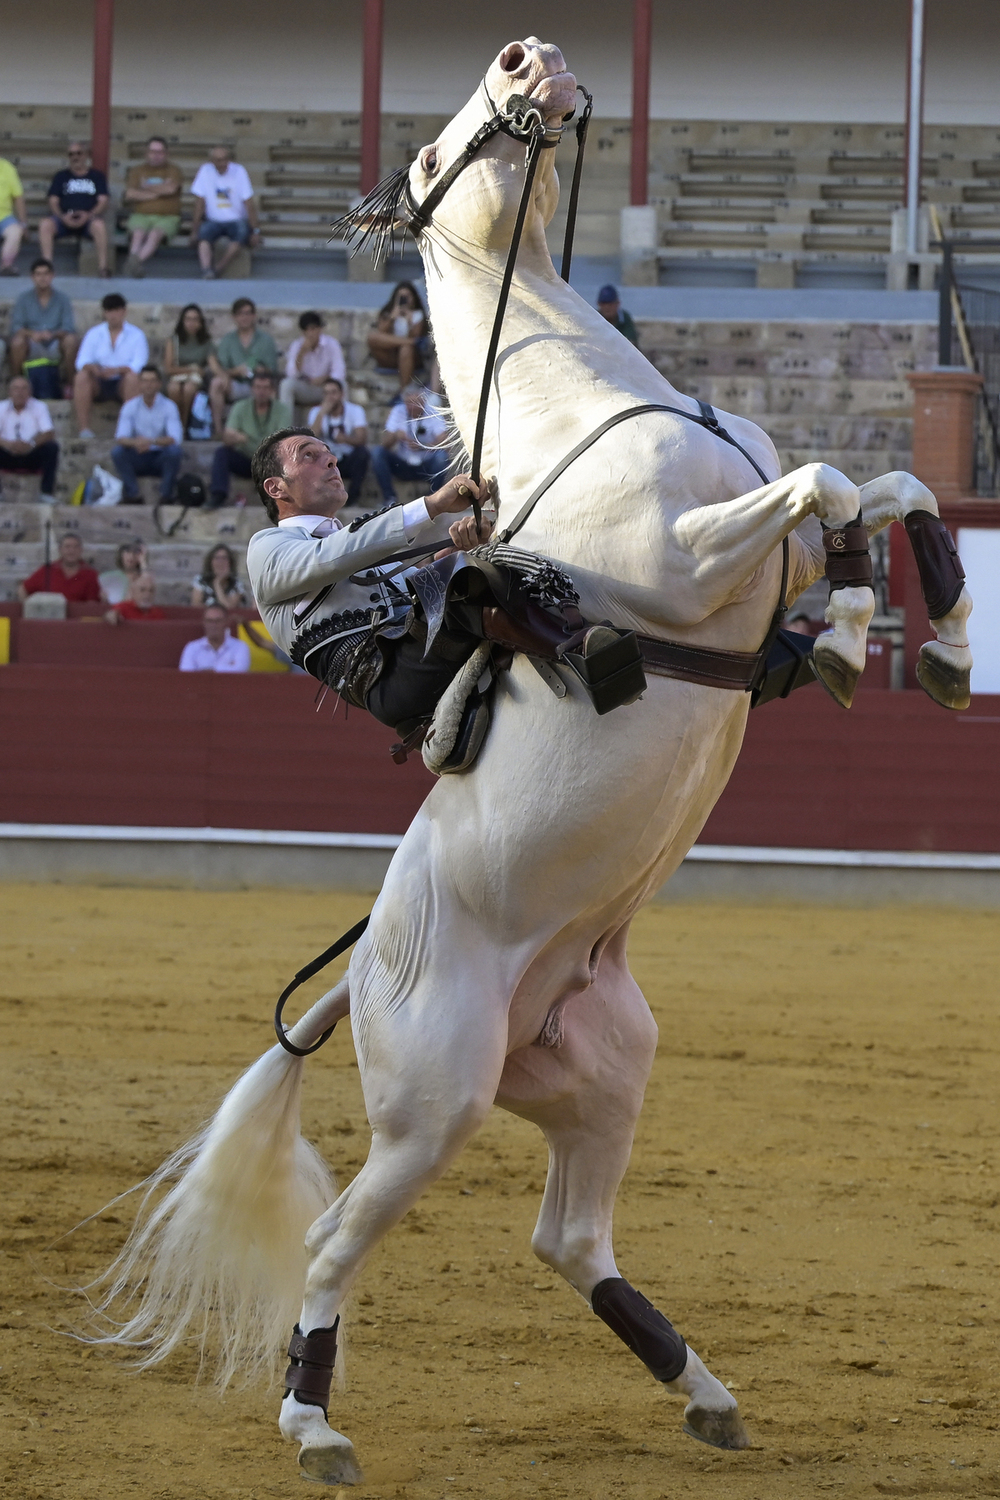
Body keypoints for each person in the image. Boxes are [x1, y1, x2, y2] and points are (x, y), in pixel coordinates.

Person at [246, 429, 488, 748]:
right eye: (309, 455)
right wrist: (431, 506)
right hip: (388, 679)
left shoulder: (359, 543)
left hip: (419, 652)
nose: (332, 460)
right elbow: (327, 558)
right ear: (276, 487)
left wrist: (460, 551)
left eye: (329, 453)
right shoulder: (267, 546)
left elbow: (421, 588)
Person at [209, 369, 291, 510]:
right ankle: (218, 494)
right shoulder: (240, 407)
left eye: (265, 388)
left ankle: (281, 502)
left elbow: (281, 442)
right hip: (245, 458)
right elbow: (227, 437)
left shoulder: (282, 410)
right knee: (221, 453)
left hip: (268, 462)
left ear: (272, 390)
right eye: (258, 387)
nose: (261, 392)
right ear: (252, 389)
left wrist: (244, 438)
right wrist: (234, 437)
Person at [74, 293, 149, 438]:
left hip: (123, 381)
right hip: (98, 381)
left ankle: (129, 430)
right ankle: (84, 429)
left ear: (124, 311)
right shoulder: (94, 333)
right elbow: (81, 361)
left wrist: (117, 370)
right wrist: (94, 368)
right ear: (104, 313)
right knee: (81, 377)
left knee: (133, 378)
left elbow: (139, 364)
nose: (112, 315)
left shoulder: (137, 335)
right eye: (109, 311)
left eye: (116, 310)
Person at [111, 366, 184, 504]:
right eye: (144, 381)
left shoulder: (169, 406)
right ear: (139, 383)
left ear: (159, 384)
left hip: (160, 457)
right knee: (118, 453)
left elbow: (175, 438)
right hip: (139, 456)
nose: (148, 384)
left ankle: (166, 495)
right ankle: (133, 494)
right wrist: (137, 443)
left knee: (175, 452)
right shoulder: (130, 406)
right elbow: (120, 437)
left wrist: (151, 442)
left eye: (152, 381)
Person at [38, 143, 110, 277]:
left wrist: (89, 215)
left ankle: (103, 268)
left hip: (88, 219)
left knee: (99, 225)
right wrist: (61, 216)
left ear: (86, 155)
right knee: (45, 224)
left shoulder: (97, 176)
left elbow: (103, 201)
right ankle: (46, 268)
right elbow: (53, 200)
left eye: (78, 153)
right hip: (64, 218)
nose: (75, 157)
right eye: (71, 154)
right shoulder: (61, 176)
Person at [209, 297, 279, 436]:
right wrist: (236, 371)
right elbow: (222, 370)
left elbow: (273, 370)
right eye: (241, 314)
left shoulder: (266, 340)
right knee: (216, 383)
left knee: (271, 387)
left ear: (254, 316)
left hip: (259, 384)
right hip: (236, 384)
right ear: (234, 317)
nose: (244, 317)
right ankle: (218, 431)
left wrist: (261, 371)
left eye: (248, 313)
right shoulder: (228, 340)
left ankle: (271, 434)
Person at [190, 145, 259, 280]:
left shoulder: (239, 171)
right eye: (218, 160)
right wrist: (194, 230)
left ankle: (218, 268)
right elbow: (199, 203)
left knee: (239, 237)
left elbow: (249, 203)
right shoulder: (205, 171)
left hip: (236, 219)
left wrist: (255, 231)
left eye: (224, 160)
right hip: (213, 220)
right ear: (211, 161)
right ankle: (206, 270)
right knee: (203, 237)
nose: (222, 163)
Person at [370, 385, 450, 501]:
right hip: (402, 463)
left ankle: (434, 498)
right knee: (377, 453)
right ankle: (389, 497)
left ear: (423, 402)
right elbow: (385, 444)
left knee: (441, 457)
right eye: (409, 403)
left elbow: (445, 443)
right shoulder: (399, 411)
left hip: (426, 464)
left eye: (416, 403)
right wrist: (395, 436)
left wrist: (424, 446)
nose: (412, 407)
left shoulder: (433, 412)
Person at [8, 259, 78, 391]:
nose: (42, 278)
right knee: (17, 342)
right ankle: (16, 385)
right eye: (38, 274)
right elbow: (16, 327)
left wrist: (52, 334)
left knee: (71, 340)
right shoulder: (23, 298)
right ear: (32, 277)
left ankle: (71, 385)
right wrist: (32, 334)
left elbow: (68, 327)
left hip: (55, 342)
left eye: (46, 274)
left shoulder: (63, 299)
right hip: (31, 341)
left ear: (52, 276)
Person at [123, 136, 184, 277]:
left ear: (166, 154)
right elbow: (130, 194)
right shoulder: (137, 171)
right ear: (146, 153)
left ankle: (132, 263)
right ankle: (134, 265)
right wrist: (159, 190)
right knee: (138, 233)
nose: (156, 155)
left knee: (154, 234)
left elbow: (171, 189)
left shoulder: (174, 170)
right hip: (141, 215)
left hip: (168, 217)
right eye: (152, 151)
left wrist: (145, 188)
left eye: (160, 152)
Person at [308, 377, 369, 503]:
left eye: (333, 392)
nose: (330, 397)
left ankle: (352, 498)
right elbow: (310, 438)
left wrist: (345, 439)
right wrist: (322, 413)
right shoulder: (316, 412)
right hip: (326, 460)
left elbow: (362, 439)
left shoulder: (355, 410)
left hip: (347, 458)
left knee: (363, 453)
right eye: (326, 393)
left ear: (341, 394)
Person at [0, 376, 59, 502]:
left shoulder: (39, 406)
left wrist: (31, 445)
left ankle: (46, 493)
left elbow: (48, 432)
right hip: (7, 453)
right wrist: (8, 444)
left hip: (31, 453)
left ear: (30, 392)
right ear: (9, 392)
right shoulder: (1, 407)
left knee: (51, 447)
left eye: (24, 388)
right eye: (16, 388)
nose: (20, 392)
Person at [278, 313, 346, 414]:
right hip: (306, 387)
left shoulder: (332, 344)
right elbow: (291, 374)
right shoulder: (297, 346)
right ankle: (286, 427)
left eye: (313, 329)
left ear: (320, 329)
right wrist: (301, 353)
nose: (310, 334)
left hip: (326, 388)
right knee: (286, 385)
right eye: (307, 330)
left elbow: (339, 372)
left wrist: (325, 379)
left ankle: (342, 423)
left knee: (343, 386)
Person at [164, 303, 217, 433]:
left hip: (196, 380)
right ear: (182, 321)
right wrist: (191, 369)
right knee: (174, 389)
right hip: (177, 377)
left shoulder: (206, 342)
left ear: (200, 322)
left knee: (189, 389)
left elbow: (212, 365)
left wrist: (223, 374)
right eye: (188, 319)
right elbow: (168, 368)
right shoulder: (173, 341)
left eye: (195, 319)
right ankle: (174, 424)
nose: (191, 323)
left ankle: (184, 423)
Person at [367, 282, 428, 390]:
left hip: (410, 356)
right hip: (390, 354)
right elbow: (380, 334)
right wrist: (392, 317)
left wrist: (410, 321)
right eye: (401, 296)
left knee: (406, 349)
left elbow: (417, 336)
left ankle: (404, 390)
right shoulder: (389, 313)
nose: (405, 299)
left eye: (408, 296)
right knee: (372, 337)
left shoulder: (418, 315)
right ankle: (408, 342)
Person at [18, 531, 101, 603]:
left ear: (81, 550)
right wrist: (31, 610)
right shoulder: (47, 570)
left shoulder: (91, 574)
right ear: (60, 549)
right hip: (51, 619)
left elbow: (93, 604)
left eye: (76, 547)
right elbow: (23, 589)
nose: (71, 551)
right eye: (67, 547)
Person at [179, 604, 252, 672]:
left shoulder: (240, 647)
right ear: (204, 623)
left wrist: (207, 671)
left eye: (218, 621)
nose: (213, 625)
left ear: (226, 622)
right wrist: (227, 667)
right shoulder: (192, 648)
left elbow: (240, 671)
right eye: (209, 621)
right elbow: (186, 674)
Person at [190, 543, 248, 610]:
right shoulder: (200, 581)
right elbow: (196, 606)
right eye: (217, 558)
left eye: (224, 558)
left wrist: (218, 584)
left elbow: (229, 608)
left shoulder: (237, 584)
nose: (220, 562)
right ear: (210, 562)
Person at [0, 155, 27, 276]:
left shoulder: (7, 168)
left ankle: (6, 266)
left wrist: (23, 224)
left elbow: (18, 197)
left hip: (4, 217)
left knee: (16, 231)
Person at [99, 539, 146, 605]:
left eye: (136, 552)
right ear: (121, 554)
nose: (131, 556)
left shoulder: (144, 577)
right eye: (127, 552)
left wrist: (143, 564)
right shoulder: (108, 577)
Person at [596, 284, 640, 348]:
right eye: (603, 304)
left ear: (617, 303)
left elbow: (631, 341)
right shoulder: (595, 319)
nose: (607, 308)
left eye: (610, 304)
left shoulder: (624, 318)